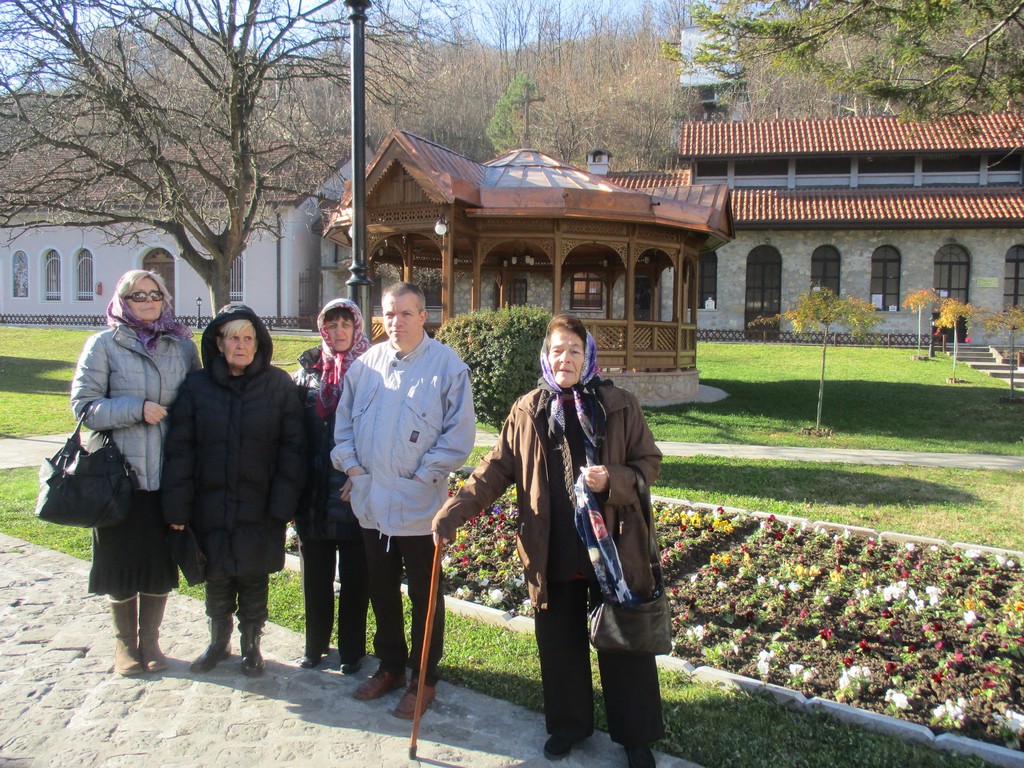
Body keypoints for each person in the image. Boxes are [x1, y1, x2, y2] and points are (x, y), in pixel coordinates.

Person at [433, 314, 664, 768]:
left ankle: (636, 738)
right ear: (546, 355)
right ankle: (568, 725)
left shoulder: (619, 404)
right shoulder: (528, 410)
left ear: (588, 355)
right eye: (558, 350)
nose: (565, 359)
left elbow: (648, 463)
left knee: (625, 642)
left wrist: (612, 480)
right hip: (552, 546)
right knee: (559, 643)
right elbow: (494, 470)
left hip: (613, 550)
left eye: (574, 350)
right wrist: (454, 511)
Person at [331, 282, 475, 720]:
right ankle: (391, 666)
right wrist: (353, 470)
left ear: (423, 316)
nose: (397, 322)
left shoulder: (448, 367)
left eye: (406, 313)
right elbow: (343, 427)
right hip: (372, 504)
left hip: (419, 508)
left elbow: (458, 437)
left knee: (424, 597)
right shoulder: (365, 366)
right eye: (390, 314)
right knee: (382, 590)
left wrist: (422, 477)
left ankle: (424, 677)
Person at [162, 304, 305, 676]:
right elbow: (180, 451)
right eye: (233, 338)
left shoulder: (278, 386)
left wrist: (283, 504)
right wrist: (177, 508)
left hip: (260, 504)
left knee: (254, 578)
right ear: (219, 343)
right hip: (210, 504)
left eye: (248, 338)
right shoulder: (197, 388)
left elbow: (293, 449)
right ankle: (218, 642)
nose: (241, 345)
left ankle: (251, 646)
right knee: (217, 578)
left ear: (258, 343)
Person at [71, 269, 200, 676]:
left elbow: (196, 402)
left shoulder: (182, 346)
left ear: (165, 299)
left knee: (159, 563)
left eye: (155, 294)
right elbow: (84, 406)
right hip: (118, 478)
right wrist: (136, 409)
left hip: (166, 474)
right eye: (137, 295)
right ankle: (125, 644)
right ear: (123, 301)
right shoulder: (104, 345)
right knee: (120, 564)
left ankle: (151, 642)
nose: (147, 301)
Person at [293, 298, 371, 672]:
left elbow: (378, 431)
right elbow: (294, 433)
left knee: (356, 579)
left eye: (345, 324)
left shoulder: (371, 371)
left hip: (353, 492)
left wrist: (360, 474)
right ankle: (315, 646)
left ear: (356, 328)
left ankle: (352, 651)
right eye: (332, 325)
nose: (339, 332)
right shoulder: (307, 373)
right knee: (316, 577)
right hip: (313, 493)